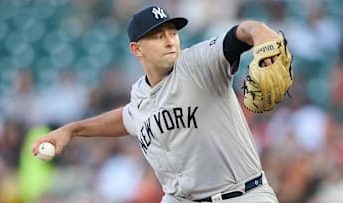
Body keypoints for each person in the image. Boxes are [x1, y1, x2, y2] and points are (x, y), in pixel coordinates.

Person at [32, 5, 282, 203]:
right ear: (137, 49)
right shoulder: (140, 94)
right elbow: (127, 118)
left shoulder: (198, 63)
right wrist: (72, 130)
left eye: (173, 33)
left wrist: (260, 33)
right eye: (159, 36)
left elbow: (242, 33)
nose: (171, 40)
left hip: (243, 195)